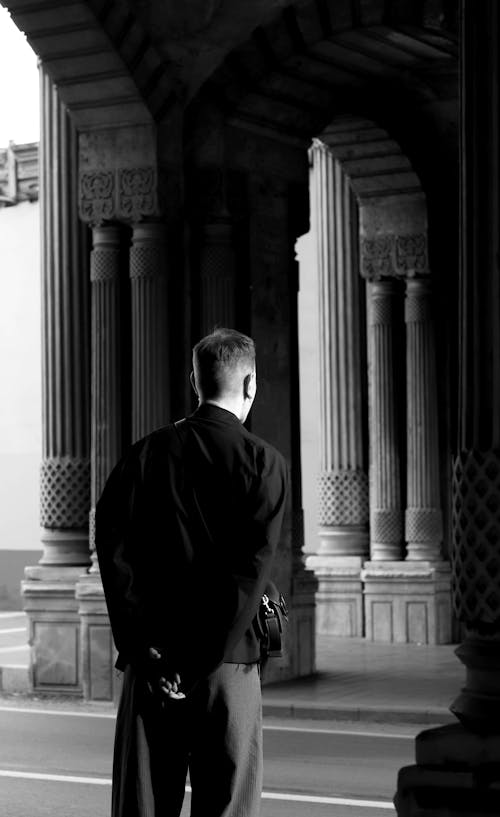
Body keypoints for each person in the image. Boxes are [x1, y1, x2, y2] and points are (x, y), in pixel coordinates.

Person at [95, 327, 288, 817]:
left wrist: (148, 651)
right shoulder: (264, 463)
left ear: (194, 381)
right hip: (227, 665)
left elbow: (114, 557)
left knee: (143, 803)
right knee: (226, 804)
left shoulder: (144, 455)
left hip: (153, 666)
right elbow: (250, 574)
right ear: (250, 385)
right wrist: (200, 659)